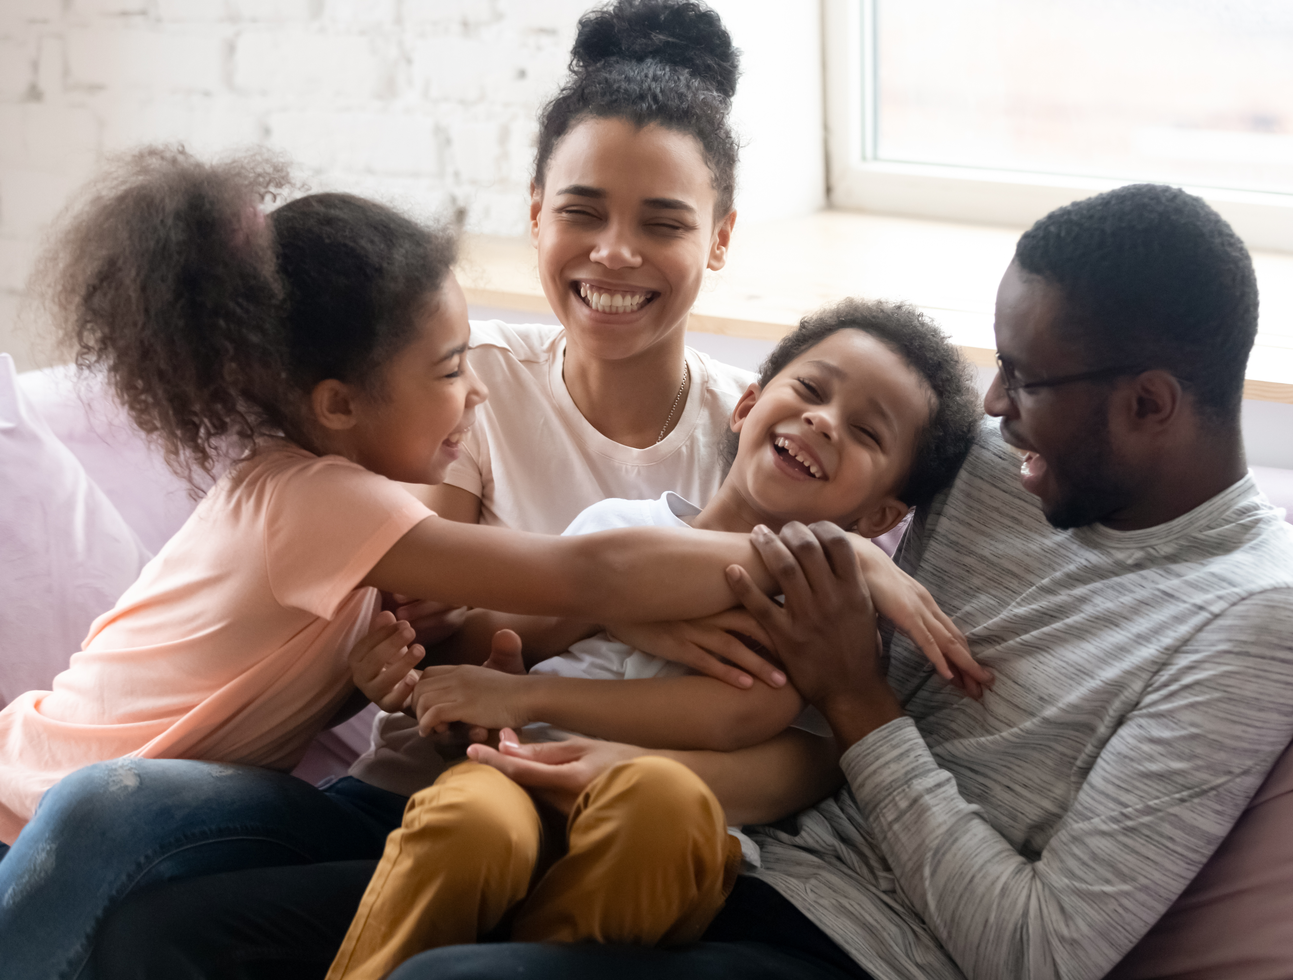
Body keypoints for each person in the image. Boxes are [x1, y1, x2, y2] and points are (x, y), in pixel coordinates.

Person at [0, 146, 961, 980]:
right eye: (452, 369)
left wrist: (394, 674)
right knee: (120, 840)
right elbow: (577, 583)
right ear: (338, 403)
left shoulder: (349, 509)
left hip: (565, 824)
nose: (475, 397)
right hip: (55, 794)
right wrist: (836, 555)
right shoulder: (327, 502)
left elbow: (611, 644)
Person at [354, 183, 1293, 980]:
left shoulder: (1253, 620)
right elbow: (751, 503)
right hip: (713, 854)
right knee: (212, 902)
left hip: (851, 945)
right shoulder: (1008, 458)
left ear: (1149, 403)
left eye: (1025, 380)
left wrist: (858, 698)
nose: (994, 407)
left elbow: (1041, 953)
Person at [324, 299, 982, 980]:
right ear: (746, 404)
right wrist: (449, 682)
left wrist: (523, 696)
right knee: (470, 817)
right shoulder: (622, 527)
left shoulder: (830, 628)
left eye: (866, 432)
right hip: (517, 778)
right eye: (810, 391)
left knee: (659, 803)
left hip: (658, 829)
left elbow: (746, 712)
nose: (822, 420)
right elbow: (501, 640)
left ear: (879, 516)